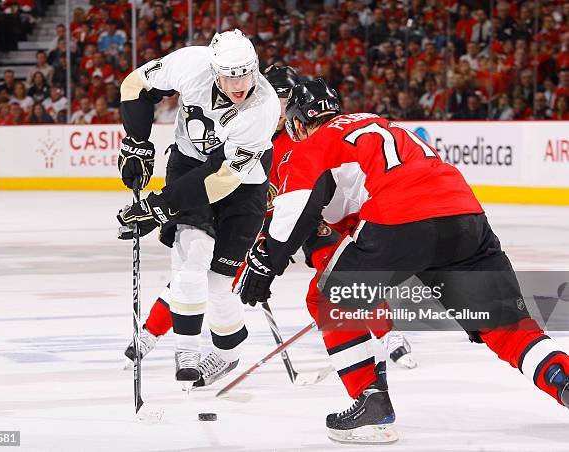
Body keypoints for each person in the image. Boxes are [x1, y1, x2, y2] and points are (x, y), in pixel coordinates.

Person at [235, 79, 569, 444]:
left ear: (298, 122)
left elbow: (295, 211)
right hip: (466, 217)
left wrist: (266, 261)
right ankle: (562, 379)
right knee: (508, 325)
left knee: (327, 297)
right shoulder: (382, 125)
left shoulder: (315, 144)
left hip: (401, 220)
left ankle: (371, 402)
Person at [122, 66, 416, 385]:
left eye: (285, 101)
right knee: (208, 271)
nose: (278, 110)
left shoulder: (302, 135)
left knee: (338, 267)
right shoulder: (246, 130)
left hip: (310, 214)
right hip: (262, 219)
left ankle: (387, 334)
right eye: (275, 99)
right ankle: (151, 333)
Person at [115, 29, 280, 390]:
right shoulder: (191, 64)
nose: (239, 84)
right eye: (229, 75)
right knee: (191, 255)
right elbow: (135, 86)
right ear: (213, 68)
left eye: (245, 74)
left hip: (242, 182)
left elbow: (222, 178)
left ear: (255, 68)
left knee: (219, 284)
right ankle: (185, 351)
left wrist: (160, 205)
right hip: (188, 164)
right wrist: (136, 143)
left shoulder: (263, 107)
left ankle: (228, 352)